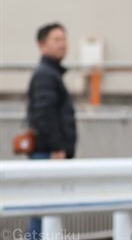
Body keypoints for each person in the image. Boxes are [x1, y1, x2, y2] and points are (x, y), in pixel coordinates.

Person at [26, 22, 77, 239]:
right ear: (41, 45)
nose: (62, 45)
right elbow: (44, 115)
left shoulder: (50, 73)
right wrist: (57, 148)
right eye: (56, 40)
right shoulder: (46, 75)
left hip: (48, 153)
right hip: (47, 153)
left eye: (64, 39)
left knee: (44, 211)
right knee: (43, 211)